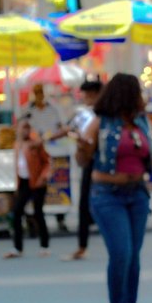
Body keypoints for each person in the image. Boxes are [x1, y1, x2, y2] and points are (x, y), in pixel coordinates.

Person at [76, 74, 152, 303]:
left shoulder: (141, 122)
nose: (141, 97)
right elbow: (82, 160)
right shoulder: (99, 122)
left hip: (137, 195)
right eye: (137, 92)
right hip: (107, 196)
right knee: (121, 253)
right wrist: (82, 148)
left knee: (133, 255)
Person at [63, 80, 103, 261]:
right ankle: (82, 245)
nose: (83, 98)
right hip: (91, 161)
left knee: (92, 202)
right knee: (85, 203)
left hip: (98, 162)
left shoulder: (101, 114)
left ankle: (83, 245)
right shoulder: (86, 114)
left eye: (85, 94)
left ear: (94, 94)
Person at [3, 115, 52, 259]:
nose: (25, 131)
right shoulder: (17, 145)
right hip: (24, 182)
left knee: (38, 213)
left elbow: (47, 161)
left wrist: (43, 177)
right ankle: (17, 247)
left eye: (27, 128)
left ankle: (44, 245)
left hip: (37, 182)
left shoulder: (35, 144)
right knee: (17, 212)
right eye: (22, 127)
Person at [27, 83, 68, 232]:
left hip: (54, 150)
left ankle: (60, 217)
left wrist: (49, 137)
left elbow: (64, 129)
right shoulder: (28, 110)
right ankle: (34, 218)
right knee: (37, 184)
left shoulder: (54, 108)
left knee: (57, 183)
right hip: (36, 153)